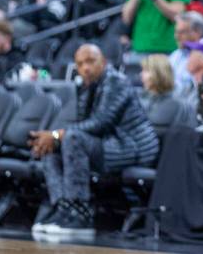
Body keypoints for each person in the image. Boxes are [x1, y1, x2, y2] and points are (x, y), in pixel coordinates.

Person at [30, 44, 159, 237]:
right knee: (50, 146)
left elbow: (101, 122)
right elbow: (84, 123)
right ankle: (63, 208)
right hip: (109, 144)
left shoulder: (116, 82)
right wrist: (54, 139)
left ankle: (81, 215)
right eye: (80, 64)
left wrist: (57, 134)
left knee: (70, 138)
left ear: (104, 62)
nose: (86, 68)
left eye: (91, 61)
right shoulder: (85, 85)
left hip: (133, 148)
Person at [139, 54, 196, 129]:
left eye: (146, 71)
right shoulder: (145, 96)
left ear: (159, 73)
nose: (141, 74)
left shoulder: (174, 102)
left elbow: (150, 129)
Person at [168, 11, 203, 92]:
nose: (176, 37)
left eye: (181, 32)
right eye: (176, 32)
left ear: (197, 32)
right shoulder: (175, 55)